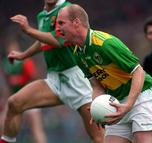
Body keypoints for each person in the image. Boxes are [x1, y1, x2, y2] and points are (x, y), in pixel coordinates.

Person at [55, 4, 152, 143]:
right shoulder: (77, 54)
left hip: (142, 96)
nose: (57, 28)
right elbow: (97, 86)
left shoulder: (105, 43)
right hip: (116, 103)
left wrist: (128, 105)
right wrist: (96, 107)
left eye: (61, 23)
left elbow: (138, 71)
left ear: (76, 22)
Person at [0, 0, 104, 143]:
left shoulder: (67, 9)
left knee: (98, 138)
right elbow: (43, 40)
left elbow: (58, 40)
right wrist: (23, 55)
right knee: (14, 103)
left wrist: (29, 30)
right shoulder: (42, 15)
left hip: (77, 78)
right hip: (54, 80)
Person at [1, 39, 47, 143]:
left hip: (29, 100)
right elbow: (8, 86)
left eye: (13, 48)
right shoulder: (6, 65)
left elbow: (34, 78)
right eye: (9, 49)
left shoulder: (26, 62)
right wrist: (5, 100)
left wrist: (22, 87)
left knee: (36, 129)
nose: (11, 51)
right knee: (3, 124)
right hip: (14, 100)